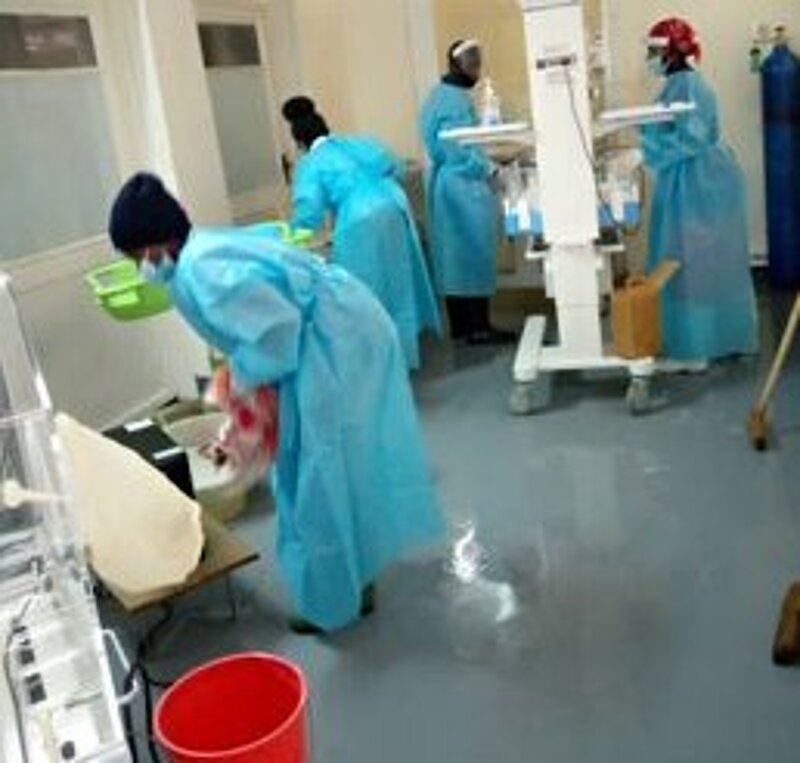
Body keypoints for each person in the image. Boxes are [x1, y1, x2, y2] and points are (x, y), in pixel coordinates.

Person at [108, 173, 443, 633]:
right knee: (338, 470)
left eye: (136, 256)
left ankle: (337, 600)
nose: (139, 267)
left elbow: (276, 336)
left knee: (318, 481)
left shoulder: (202, 270)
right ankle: (355, 580)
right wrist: (239, 390)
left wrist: (237, 384)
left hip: (333, 346)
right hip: (334, 333)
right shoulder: (199, 252)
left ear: (156, 243)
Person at [281, 96, 440, 370]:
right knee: (397, 283)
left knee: (364, 291)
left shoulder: (312, 163)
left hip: (359, 221)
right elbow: (397, 167)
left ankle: (377, 363)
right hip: (393, 210)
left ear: (300, 143)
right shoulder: (358, 143)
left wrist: (288, 239)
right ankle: (404, 354)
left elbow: (308, 212)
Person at [641, 18, 757, 363]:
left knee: (695, 264)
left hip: (700, 183)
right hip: (690, 179)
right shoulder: (676, 84)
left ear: (672, 51)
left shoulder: (687, 85)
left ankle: (701, 344)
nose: (649, 58)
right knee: (691, 262)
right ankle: (698, 339)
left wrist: (646, 150)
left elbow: (692, 137)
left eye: (654, 51)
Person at [420, 39, 513, 345]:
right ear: (456, 64)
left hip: (451, 184)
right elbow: (458, 148)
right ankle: (477, 328)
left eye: (478, 63)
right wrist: (489, 168)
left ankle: (463, 329)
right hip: (462, 185)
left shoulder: (441, 95)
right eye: (472, 64)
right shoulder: (453, 102)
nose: (477, 70)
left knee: (454, 260)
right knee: (473, 255)